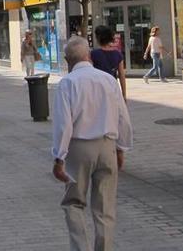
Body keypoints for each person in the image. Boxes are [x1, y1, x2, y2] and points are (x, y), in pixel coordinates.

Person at [52, 37, 133, 251]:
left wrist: (59, 157)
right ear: (88, 55)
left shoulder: (67, 83)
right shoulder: (107, 80)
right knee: (105, 206)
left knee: (73, 202)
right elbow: (122, 116)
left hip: (79, 147)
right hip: (107, 145)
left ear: (67, 60)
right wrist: (121, 148)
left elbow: (63, 124)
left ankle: (81, 248)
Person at [91, 25, 127, 100]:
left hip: (98, 89)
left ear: (98, 38)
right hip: (113, 87)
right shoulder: (118, 54)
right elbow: (121, 75)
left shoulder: (93, 54)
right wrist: (124, 94)